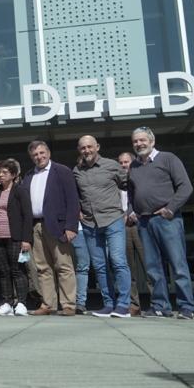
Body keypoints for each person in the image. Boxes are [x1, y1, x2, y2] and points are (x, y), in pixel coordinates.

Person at [128, 127, 194, 319]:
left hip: (167, 220)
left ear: (152, 141)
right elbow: (131, 193)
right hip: (144, 222)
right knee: (152, 267)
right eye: (135, 141)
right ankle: (160, 306)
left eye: (142, 140)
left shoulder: (168, 159)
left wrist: (170, 208)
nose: (139, 144)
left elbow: (185, 187)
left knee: (178, 264)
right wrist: (132, 211)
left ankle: (186, 306)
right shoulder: (133, 166)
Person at [73, 135, 131, 318]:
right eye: (83, 148)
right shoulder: (77, 171)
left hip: (113, 219)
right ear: (79, 150)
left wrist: (131, 210)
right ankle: (108, 304)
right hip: (90, 224)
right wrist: (77, 210)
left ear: (97, 147)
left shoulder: (112, 165)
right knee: (99, 266)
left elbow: (130, 186)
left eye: (90, 146)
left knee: (118, 261)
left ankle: (123, 305)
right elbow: (74, 194)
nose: (87, 150)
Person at [24, 140, 79, 316]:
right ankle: (48, 304)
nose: (39, 157)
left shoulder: (62, 171)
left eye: (41, 153)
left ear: (48, 153)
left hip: (58, 226)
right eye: (35, 155)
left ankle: (68, 304)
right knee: (42, 268)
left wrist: (71, 227)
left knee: (63, 265)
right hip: (36, 226)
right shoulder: (29, 175)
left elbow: (73, 200)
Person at [0, 159, 31, 316]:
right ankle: (7, 302)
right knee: (3, 271)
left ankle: (22, 303)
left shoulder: (20, 191)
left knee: (17, 270)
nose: (1, 175)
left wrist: (26, 239)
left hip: (15, 236)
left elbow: (27, 216)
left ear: (13, 175)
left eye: (5, 173)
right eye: (0, 172)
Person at [119, 151, 148, 316]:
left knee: (148, 264)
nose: (123, 165)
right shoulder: (116, 183)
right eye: (121, 163)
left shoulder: (139, 179)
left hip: (140, 225)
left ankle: (158, 302)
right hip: (123, 227)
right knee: (128, 268)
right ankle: (134, 304)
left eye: (126, 162)